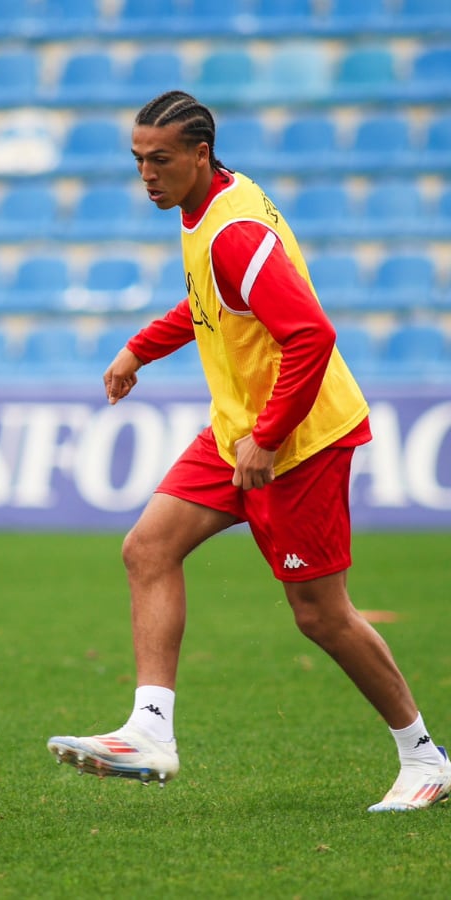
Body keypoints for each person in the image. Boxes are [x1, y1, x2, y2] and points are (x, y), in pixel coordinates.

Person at [47, 90, 449, 812]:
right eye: (138, 160)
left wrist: (265, 438)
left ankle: (425, 756)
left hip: (298, 441)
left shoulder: (233, 232)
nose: (146, 173)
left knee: (320, 615)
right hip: (241, 429)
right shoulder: (207, 205)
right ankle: (150, 730)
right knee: (147, 548)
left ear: (199, 154)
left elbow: (311, 336)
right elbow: (210, 301)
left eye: (159, 159)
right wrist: (142, 347)